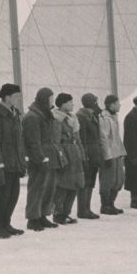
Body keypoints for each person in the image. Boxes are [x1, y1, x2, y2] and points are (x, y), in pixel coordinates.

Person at [0, 83, 27, 239]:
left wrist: (22, 161)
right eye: (15, 96)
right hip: (3, 163)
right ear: (7, 97)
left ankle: (6, 224)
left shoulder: (15, 114)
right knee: (2, 196)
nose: (17, 99)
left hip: (14, 162)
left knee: (13, 195)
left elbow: (19, 140)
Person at [23, 87, 62, 231]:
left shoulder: (46, 114)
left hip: (49, 156)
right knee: (37, 188)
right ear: (43, 99)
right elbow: (33, 141)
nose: (52, 101)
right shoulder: (32, 116)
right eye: (50, 98)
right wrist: (40, 159)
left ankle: (43, 215)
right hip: (39, 158)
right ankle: (33, 218)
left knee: (49, 188)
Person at [52, 93, 86, 225]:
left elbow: (78, 138)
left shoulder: (73, 118)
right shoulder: (57, 118)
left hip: (74, 153)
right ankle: (59, 213)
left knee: (76, 184)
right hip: (65, 153)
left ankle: (66, 212)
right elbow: (55, 139)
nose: (72, 104)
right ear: (63, 104)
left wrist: (82, 154)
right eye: (70, 102)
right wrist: (60, 155)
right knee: (63, 185)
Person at [98, 94, 126, 214]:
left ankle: (111, 203)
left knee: (118, 180)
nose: (119, 105)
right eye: (117, 103)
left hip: (117, 153)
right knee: (108, 181)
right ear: (111, 104)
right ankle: (106, 205)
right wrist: (107, 156)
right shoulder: (104, 118)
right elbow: (103, 138)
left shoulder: (113, 117)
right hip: (110, 154)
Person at [76, 93, 102, 218]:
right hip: (88, 154)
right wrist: (85, 155)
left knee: (90, 182)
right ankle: (82, 210)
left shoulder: (92, 116)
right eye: (95, 102)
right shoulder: (82, 117)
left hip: (93, 153)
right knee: (85, 182)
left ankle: (87, 208)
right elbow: (83, 138)